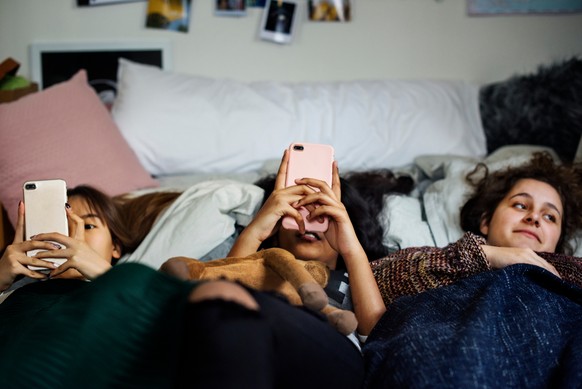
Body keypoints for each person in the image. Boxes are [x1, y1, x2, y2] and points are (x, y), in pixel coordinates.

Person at [0, 185, 365, 388]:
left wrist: (97, 271)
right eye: (56, 225)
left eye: (88, 226)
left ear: (116, 249)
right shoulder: (14, 295)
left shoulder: (132, 280)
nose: (69, 237)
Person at [363, 152, 582, 388]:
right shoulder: (448, 258)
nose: (534, 218)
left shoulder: (574, 274)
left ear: (559, 242)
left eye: (550, 217)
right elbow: (375, 279)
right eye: (520, 205)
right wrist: (487, 255)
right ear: (486, 221)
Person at [228, 149, 414, 337]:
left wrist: (351, 250)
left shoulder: (357, 281)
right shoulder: (257, 268)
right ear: (276, 230)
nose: (310, 221)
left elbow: (380, 340)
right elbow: (216, 309)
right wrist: (256, 232)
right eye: (298, 210)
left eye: (323, 216)